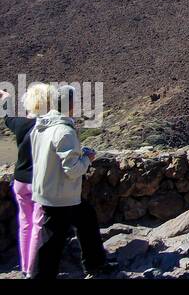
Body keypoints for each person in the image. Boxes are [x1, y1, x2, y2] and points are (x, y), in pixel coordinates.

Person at [30, 84, 111, 280]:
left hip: (49, 189)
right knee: (52, 243)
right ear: (71, 104)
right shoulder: (64, 131)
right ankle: (42, 276)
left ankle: (95, 263)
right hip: (61, 195)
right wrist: (87, 159)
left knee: (86, 218)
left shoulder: (41, 125)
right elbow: (73, 170)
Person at [1, 83, 44, 276]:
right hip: (38, 182)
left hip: (19, 181)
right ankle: (33, 270)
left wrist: (5, 98)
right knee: (37, 225)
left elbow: (6, 116)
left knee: (25, 224)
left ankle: (25, 266)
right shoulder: (46, 126)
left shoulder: (19, 123)